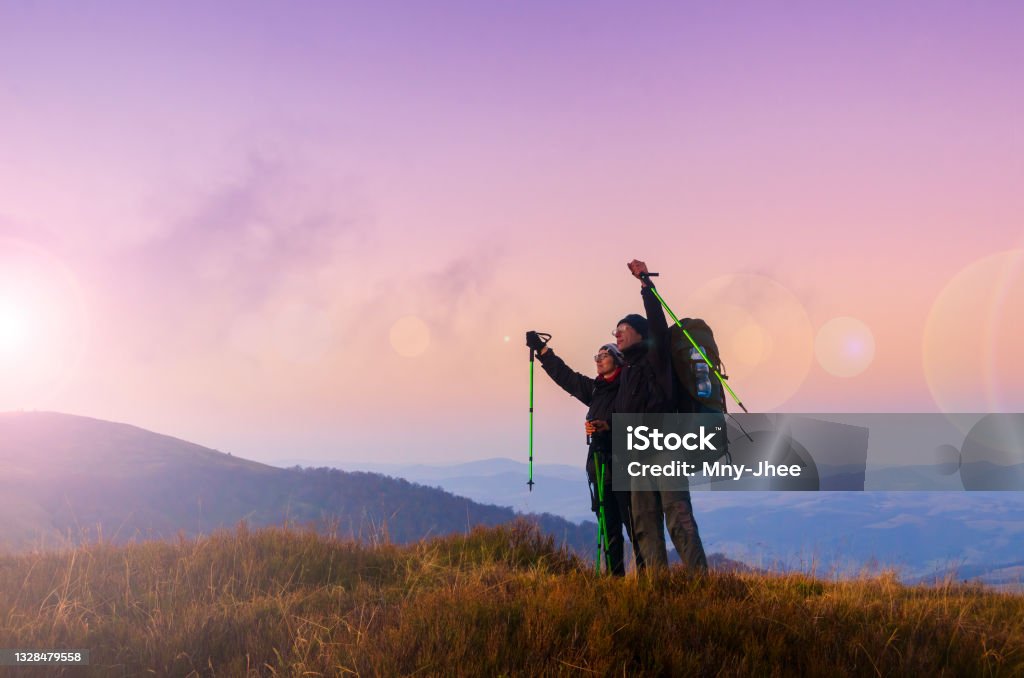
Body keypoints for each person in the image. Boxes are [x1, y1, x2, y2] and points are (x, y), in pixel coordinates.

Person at [614, 259, 708, 572]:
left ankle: (701, 583)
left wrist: (645, 285)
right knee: (644, 522)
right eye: (616, 332)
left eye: (623, 330)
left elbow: (656, 321)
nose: (618, 336)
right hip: (637, 451)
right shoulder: (626, 369)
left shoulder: (657, 357)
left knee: (677, 515)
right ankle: (656, 587)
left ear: (641, 335)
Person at [525, 331, 642, 575]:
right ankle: (616, 579)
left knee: (634, 526)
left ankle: (647, 578)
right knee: (608, 525)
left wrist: (607, 425)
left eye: (605, 355)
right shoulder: (596, 389)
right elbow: (566, 377)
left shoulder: (629, 388)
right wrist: (543, 352)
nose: (599, 360)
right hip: (600, 466)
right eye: (596, 356)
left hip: (625, 466)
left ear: (618, 359)